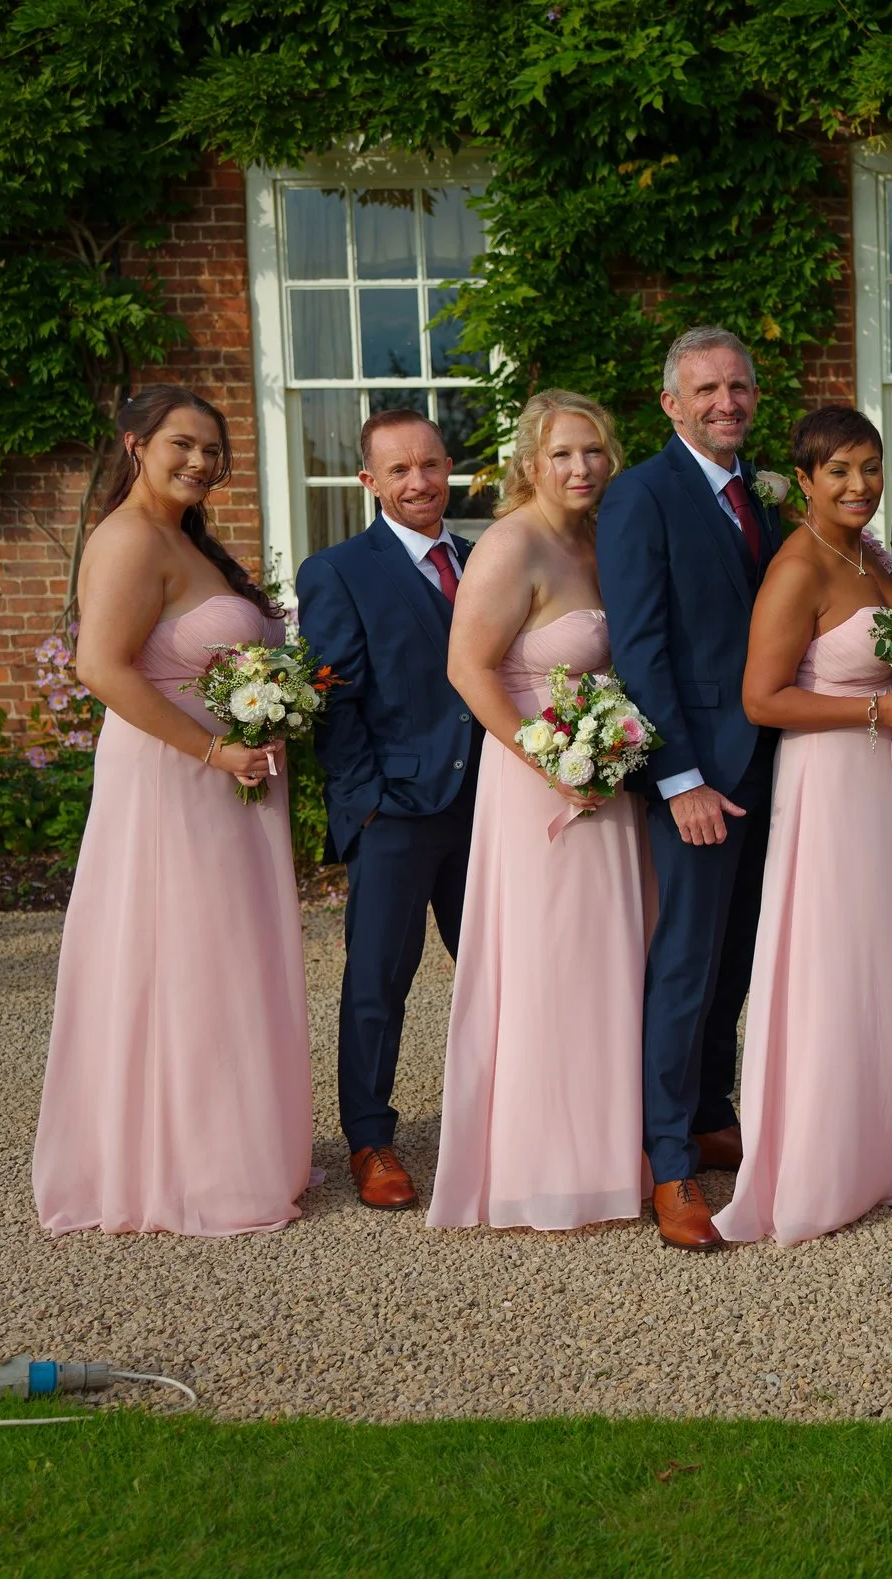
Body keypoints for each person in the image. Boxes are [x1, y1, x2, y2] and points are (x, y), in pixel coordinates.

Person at [33, 385, 312, 1235]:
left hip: (230, 778)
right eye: (182, 445)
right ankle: (181, 1167)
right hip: (173, 779)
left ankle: (235, 1144)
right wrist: (210, 750)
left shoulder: (185, 539)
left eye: (213, 451)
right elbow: (102, 668)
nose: (200, 461)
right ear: (135, 445)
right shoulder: (125, 539)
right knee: (181, 958)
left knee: (227, 957)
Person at [714, 408, 892, 1245]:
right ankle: (817, 1160)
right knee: (829, 959)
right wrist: (880, 705)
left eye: (871, 468)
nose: (859, 486)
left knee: (884, 955)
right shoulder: (798, 567)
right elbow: (761, 698)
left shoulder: (871, 553)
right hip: (831, 783)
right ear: (803, 480)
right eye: (839, 471)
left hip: (885, 786)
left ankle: (878, 1148)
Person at [429, 391, 651, 1232]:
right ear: (530, 462)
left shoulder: (598, 539)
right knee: (549, 961)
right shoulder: (511, 544)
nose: (581, 467)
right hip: (540, 783)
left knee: (611, 961)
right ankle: (539, 1168)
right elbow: (470, 670)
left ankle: (612, 1153)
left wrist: (605, 756)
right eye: (562, 454)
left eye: (593, 451)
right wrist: (555, 762)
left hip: (607, 775)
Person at [599, 327, 781, 1250]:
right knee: (684, 967)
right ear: (671, 402)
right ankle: (668, 1161)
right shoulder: (641, 496)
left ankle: (712, 1110)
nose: (726, 403)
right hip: (697, 773)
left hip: (769, 766)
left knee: (738, 956)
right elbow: (640, 647)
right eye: (706, 389)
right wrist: (678, 777)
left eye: (739, 387)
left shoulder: (762, 495)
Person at [295, 409, 485, 1212]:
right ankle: (370, 1139)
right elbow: (335, 702)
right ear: (369, 481)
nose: (420, 483)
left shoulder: (483, 559)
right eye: (400, 471)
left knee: (501, 972)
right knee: (379, 981)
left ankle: (506, 1122)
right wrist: (367, 805)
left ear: (451, 469)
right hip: (396, 812)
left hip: (486, 808)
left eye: (432, 466)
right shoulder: (339, 570)